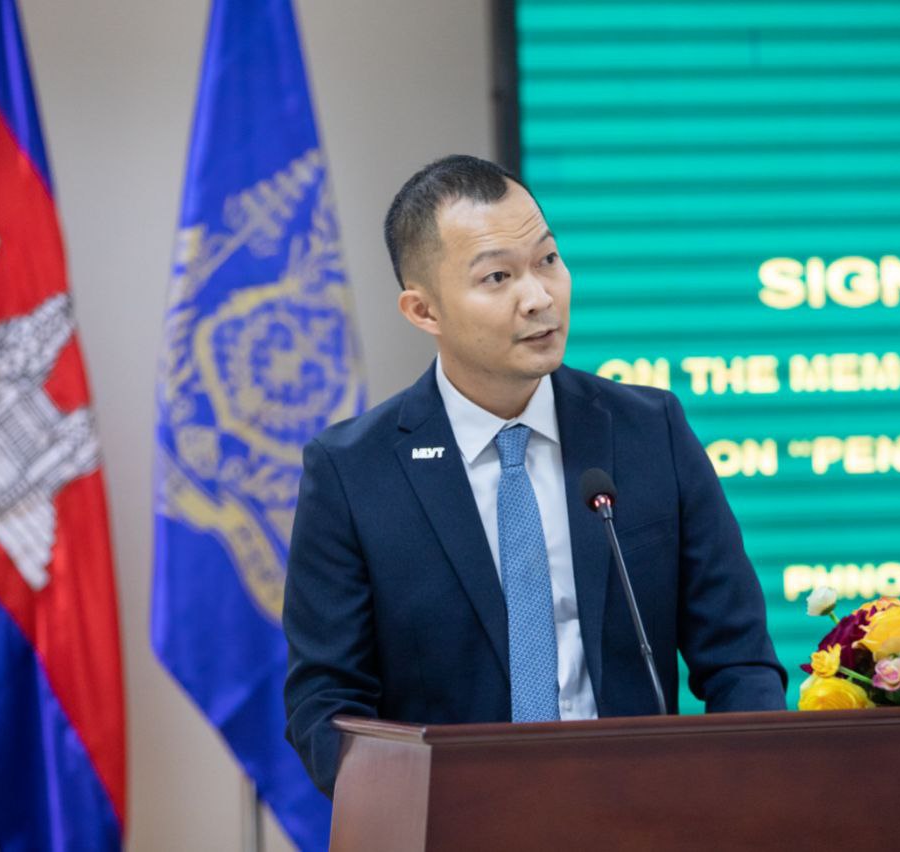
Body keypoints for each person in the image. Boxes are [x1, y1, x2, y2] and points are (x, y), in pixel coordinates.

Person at [283, 155, 787, 795]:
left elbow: (740, 658)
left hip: (647, 817)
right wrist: (418, 810)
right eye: (497, 276)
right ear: (423, 310)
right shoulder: (352, 472)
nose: (539, 297)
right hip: (456, 822)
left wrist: (737, 797)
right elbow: (326, 702)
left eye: (547, 260)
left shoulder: (649, 431)